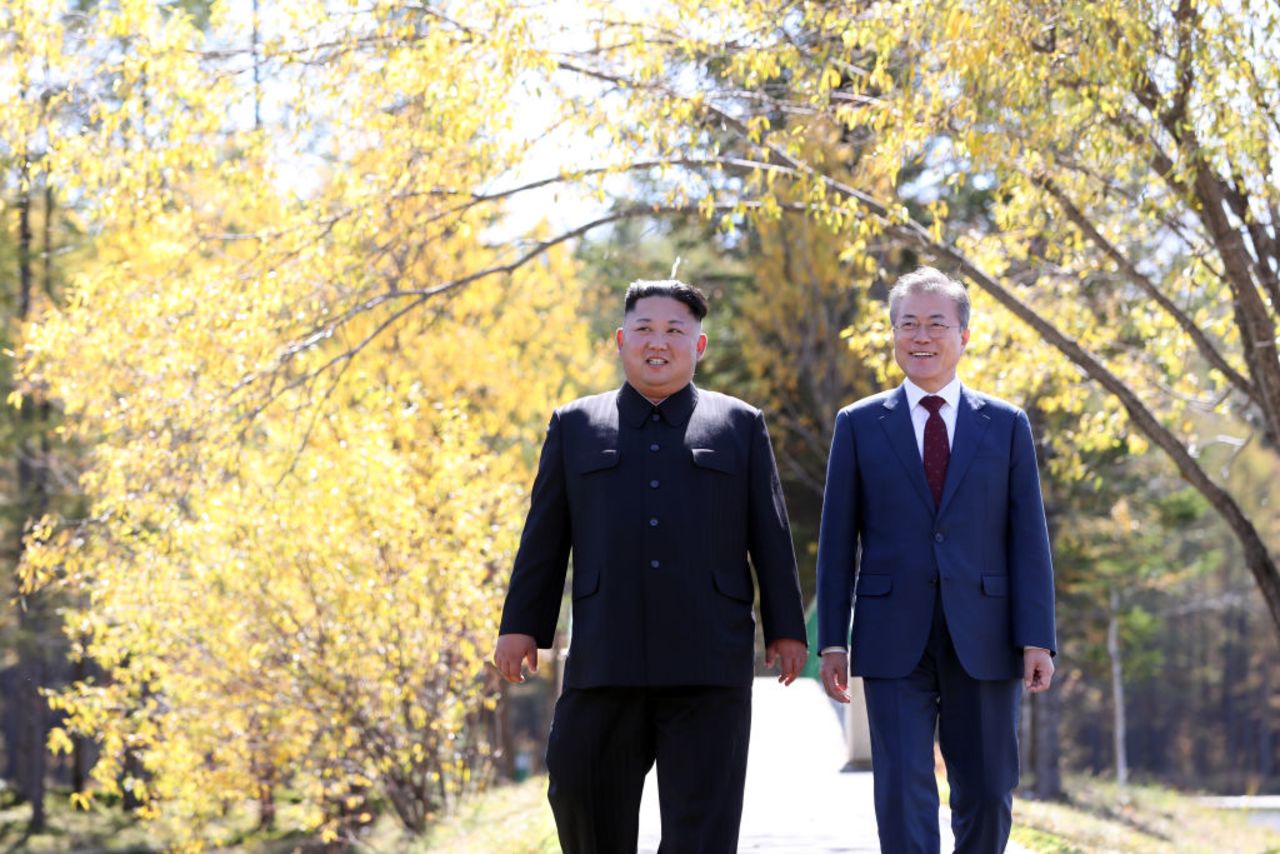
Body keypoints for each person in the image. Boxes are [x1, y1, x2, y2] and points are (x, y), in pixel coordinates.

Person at [494, 279, 808, 854]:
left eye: (674, 331)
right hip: (604, 659)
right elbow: (543, 537)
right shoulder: (576, 424)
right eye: (643, 329)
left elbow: (770, 532)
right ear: (620, 339)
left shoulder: (740, 424)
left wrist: (786, 627)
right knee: (578, 796)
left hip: (709, 662)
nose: (657, 342)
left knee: (703, 831)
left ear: (700, 344)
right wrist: (521, 626)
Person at [815, 266, 1057, 854]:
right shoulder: (859, 425)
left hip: (988, 634)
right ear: (893, 334)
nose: (921, 336)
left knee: (989, 788)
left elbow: (1029, 538)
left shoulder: (1005, 425)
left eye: (936, 324)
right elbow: (837, 537)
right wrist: (832, 640)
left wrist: (1037, 637)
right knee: (901, 787)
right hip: (892, 634)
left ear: (964, 336)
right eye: (908, 324)